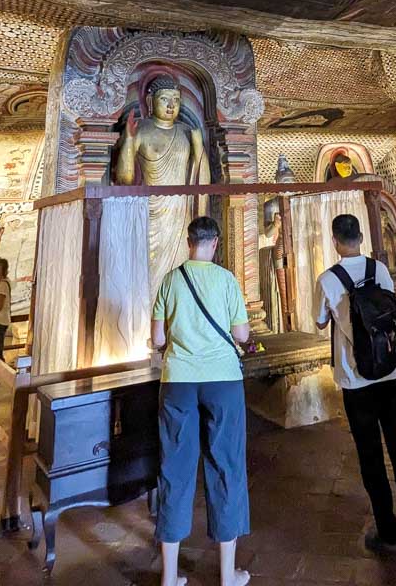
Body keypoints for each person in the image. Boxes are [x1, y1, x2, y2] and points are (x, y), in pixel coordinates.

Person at [314, 213, 396, 552]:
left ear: (335, 241)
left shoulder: (328, 279)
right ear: (361, 237)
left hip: (355, 378)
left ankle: (387, 530)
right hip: (389, 371)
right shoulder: (380, 270)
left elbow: (320, 322)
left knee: (370, 455)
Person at [151, 216, 251, 586]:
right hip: (223, 381)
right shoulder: (227, 280)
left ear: (188, 240)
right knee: (227, 466)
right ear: (216, 242)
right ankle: (227, 574)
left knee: (174, 470)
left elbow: (158, 340)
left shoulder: (170, 280)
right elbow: (242, 333)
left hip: (178, 381)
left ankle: (169, 576)